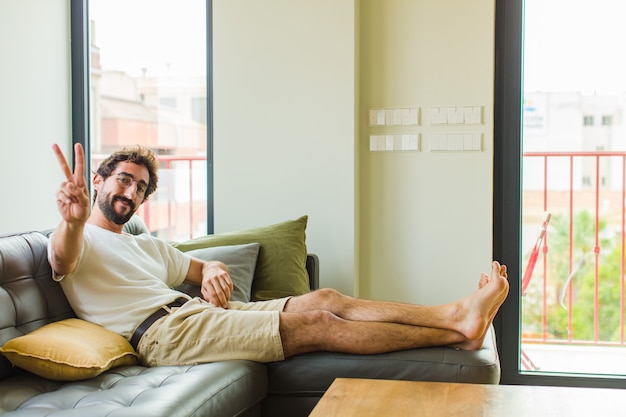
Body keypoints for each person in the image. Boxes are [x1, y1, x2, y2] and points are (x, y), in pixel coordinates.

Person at [49, 142, 509, 366]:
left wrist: (210, 269)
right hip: (162, 335)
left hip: (193, 313)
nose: (131, 191)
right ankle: (455, 332)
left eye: (141, 187)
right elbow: (62, 260)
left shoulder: (145, 245)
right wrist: (73, 221)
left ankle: (454, 316)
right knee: (321, 324)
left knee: (327, 298)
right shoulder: (75, 239)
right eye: (124, 180)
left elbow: (197, 264)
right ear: (98, 181)